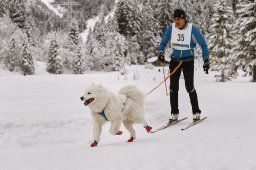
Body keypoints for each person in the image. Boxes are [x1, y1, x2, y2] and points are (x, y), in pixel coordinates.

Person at [157, 8, 210, 122]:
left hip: (188, 61)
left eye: (179, 19)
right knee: (173, 87)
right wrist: (160, 52)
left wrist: (206, 60)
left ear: (184, 19)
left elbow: (203, 44)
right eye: (175, 19)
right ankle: (174, 113)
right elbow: (164, 41)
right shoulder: (171, 28)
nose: (177, 22)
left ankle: (196, 112)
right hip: (175, 60)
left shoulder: (192, 29)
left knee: (189, 86)